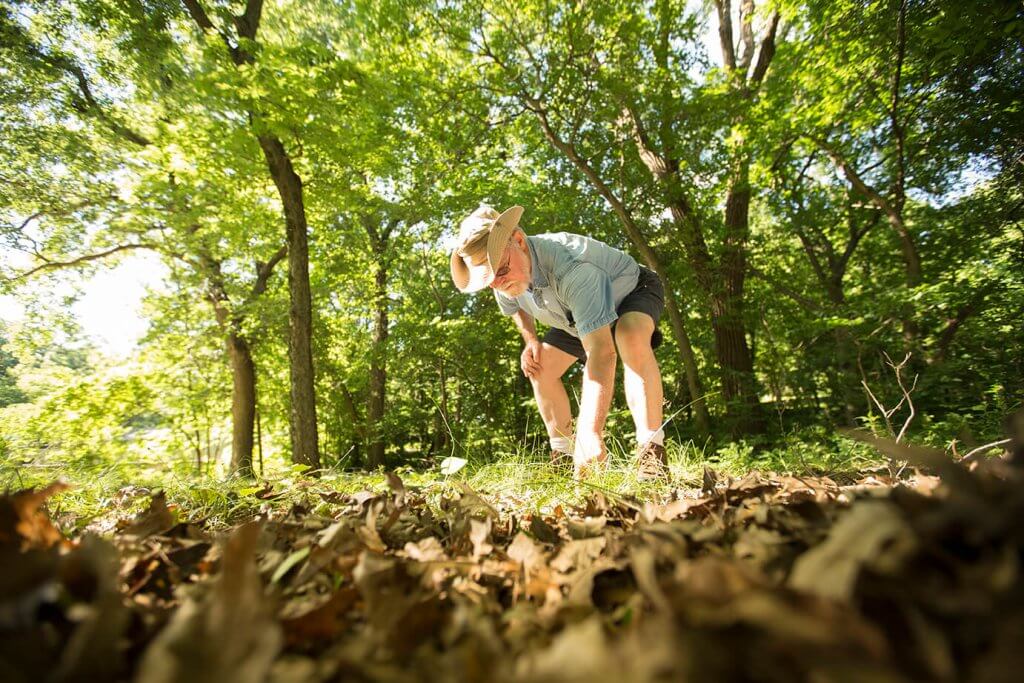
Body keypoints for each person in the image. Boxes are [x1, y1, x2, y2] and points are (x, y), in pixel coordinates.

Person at [449, 204, 669, 479]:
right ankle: (563, 457)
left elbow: (601, 351)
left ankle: (652, 454)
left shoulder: (571, 268)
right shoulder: (502, 275)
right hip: (573, 317)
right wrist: (531, 339)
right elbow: (514, 305)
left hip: (630, 293)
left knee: (630, 336)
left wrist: (590, 432)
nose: (498, 283)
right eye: (489, 280)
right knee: (540, 367)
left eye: (501, 271)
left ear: (518, 240)